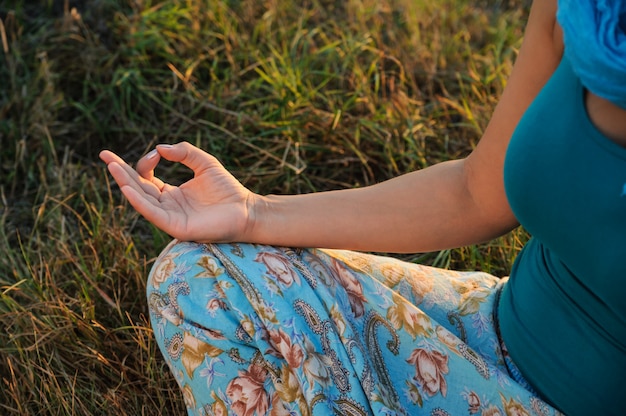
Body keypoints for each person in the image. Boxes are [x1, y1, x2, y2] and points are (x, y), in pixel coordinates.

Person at [100, 0, 626, 414]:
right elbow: (475, 192)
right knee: (195, 277)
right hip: (494, 326)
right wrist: (253, 212)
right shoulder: (584, 11)